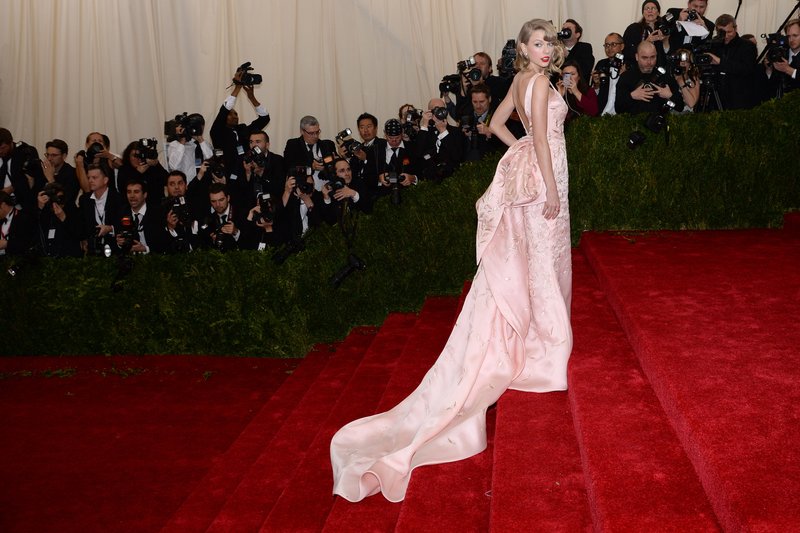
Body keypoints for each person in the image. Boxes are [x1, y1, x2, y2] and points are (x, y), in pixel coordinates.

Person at [331, 18, 572, 503]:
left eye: (550, 42)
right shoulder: (540, 83)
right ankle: (547, 352)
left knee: (532, 261)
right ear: (524, 49)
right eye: (538, 43)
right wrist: (547, 183)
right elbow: (543, 141)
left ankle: (534, 338)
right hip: (547, 182)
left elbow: (495, 124)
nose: (546, 50)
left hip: (530, 180)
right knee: (545, 264)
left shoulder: (519, 82)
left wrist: (518, 149)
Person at [703, 14, 758, 110]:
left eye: (729, 32)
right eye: (722, 32)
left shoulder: (747, 46)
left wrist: (720, 62)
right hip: (715, 97)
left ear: (735, 29)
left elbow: (747, 69)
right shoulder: (712, 45)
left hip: (739, 99)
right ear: (717, 30)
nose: (726, 36)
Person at [615, 41, 684, 115]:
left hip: (659, 123)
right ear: (637, 57)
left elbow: (680, 107)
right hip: (633, 124)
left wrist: (670, 96)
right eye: (644, 58)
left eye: (652, 57)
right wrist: (632, 96)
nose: (649, 62)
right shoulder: (626, 77)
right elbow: (618, 109)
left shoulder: (664, 77)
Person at [623, 0, 669, 69]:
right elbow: (625, 51)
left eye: (653, 8)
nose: (650, 11)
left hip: (659, 69)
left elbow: (670, 54)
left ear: (658, 12)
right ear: (643, 13)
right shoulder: (633, 28)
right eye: (647, 8)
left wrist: (665, 41)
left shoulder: (665, 29)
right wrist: (646, 42)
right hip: (637, 69)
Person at [592, 33, 627, 115]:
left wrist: (624, 76)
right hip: (603, 112)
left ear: (622, 46)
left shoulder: (629, 65)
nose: (609, 48)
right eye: (607, 45)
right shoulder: (601, 64)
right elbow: (595, 93)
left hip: (622, 114)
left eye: (613, 44)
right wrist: (596, 84)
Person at [42, 139, 80, 207]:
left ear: (64, 156)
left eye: (54, 155)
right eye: (48, 155)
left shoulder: (72, 173)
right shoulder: (42, 170)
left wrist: (51, 179)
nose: (49, 158)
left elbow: (65, 201)